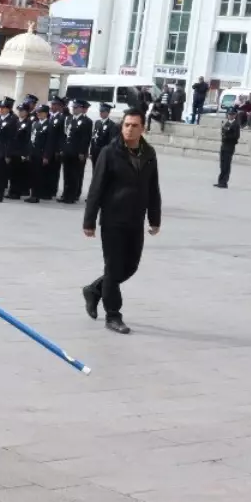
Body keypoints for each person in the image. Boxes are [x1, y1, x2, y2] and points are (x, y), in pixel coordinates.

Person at [81, 108, 161, 335]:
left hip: (136, 220)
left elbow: (153, 188)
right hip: (113, 220)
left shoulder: (149, 153)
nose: (130, 128)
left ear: (142, 128)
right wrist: (89, 220)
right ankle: (113, 316)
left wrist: (155, 218)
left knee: (130, 267)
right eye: (126, 124)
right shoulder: (109, 152)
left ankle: (94, 289)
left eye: (135, 125)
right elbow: (96, 188)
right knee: (114, 267)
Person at [60, 99, 93, 203]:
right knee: (66, 174)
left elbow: (85, 138)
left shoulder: (86, 121)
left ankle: (72, 196)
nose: (74, 109)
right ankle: (65, 194)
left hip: (76, 152)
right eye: (73, 107)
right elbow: (65, 135)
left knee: (74, 174)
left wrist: (82, 152)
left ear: (81, 108)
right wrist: (62, 148)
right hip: (67, 150)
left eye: (76, 108)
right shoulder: (69, 119)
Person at [24, 104, 51, 203]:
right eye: (37, 112)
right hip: (33, 152)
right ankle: (32, 194)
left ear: (46, 113)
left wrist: (46, 156)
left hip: (41, 153)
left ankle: (36, 195)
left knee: (38, 175)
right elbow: (30, 139)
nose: (38, 114)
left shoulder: (49, 124)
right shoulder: (35, 123)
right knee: (32, 174)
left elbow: (49, 142)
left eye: (41, 112)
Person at [216, 107, 241, 189]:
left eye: (232, 114)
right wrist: (225, 134)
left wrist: (227, 135)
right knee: (222, 165)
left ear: (235, 115)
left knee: (226, 165)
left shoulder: (236, 124)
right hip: (224, 145)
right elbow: (223, 132)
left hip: (229, 146)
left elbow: (236, 136)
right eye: (229, 114)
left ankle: (224, 182)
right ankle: (220, 181)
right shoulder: (226, 123)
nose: (230, 116)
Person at [90, 103, 117, 169]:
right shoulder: (97, 122)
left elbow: (111, 140)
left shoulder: (111, 125)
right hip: (95, 151)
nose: (101, 113)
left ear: (108, 112)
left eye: (102, 111)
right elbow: (93, 138)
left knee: (102, 170)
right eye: (100, 111)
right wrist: (91, 151)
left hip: (103, 151)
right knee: (95, 169)